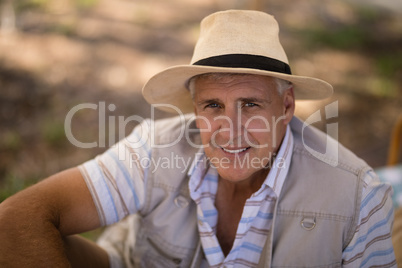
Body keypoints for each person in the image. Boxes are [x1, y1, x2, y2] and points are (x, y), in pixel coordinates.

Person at [0, 10, 396, 268]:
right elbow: (15, 217)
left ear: (287, 106)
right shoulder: (156, 147)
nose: (231, 128)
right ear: (193, 108)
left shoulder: (358, 197)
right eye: (212, 106)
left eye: (251, 104)